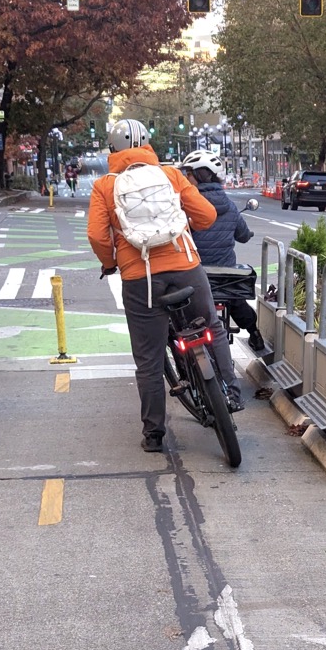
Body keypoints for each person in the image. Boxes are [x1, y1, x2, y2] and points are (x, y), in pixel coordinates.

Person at [87, 119, 243, 454]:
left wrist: (111, 262)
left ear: (112, 149)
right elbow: (206, 215)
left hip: (139, 279)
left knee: (149, 358)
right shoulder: (171, 175)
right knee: (212, 326)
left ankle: (154, 433)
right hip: (185, 267)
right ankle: (230, 389)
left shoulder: (104, 186)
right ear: (147, 144)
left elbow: (97, 236)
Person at [179, 149, 265, 352]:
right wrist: (247, 234)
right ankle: (255, 334)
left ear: (199, 175)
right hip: (226, 275)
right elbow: (242, 236)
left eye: (188, 174)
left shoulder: (185, 205)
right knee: (236, 301)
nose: (185, 179)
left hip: (195, 273)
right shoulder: (230, 206)